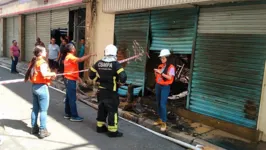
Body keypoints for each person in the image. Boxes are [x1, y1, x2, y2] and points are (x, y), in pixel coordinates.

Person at [89, 44, 127, 138]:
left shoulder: (99, 63)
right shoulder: (115, 64)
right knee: (112, 111)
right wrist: (119, 82)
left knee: (101, 109)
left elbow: (91, 73)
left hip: (101, 91)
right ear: (114, 53)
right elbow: (123, 77)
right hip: (111, 92)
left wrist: (98, 79)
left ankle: (100, 127)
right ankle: (113, 131)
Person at [24, 46, 56, 139]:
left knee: (35, 109)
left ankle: (34, 128)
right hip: (42, 87)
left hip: (34, 87)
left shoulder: (33, 62)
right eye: (45, 51)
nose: (46, 52)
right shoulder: (42, 62)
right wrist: (53, 73)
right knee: (43, 110)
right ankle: (43, 130)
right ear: (40, 53)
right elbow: (44, 73)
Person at [63, 44, 96, 122]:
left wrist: (80, 80)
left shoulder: (67, 57)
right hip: (70, 80)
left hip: (68, 79)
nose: (75, 48)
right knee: (72, 99)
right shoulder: (70, 57)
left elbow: (73, 71)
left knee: (68, 97)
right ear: (71, 50)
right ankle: (74, 116)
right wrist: (90, 55)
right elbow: (80, 60)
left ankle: (68, 113)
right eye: (74, 47)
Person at [153, 49, 175, 132]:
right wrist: (156, 73)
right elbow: (158, 77)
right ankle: (160, 118)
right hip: (158, 85)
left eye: (163, 58)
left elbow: (170, 77)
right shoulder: (160, 66)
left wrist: (161, 73)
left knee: (162, 104)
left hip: (165, 87)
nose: (161, 60)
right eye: (161, 58)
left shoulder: (171, 67)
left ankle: (164, 122)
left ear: (167, 58)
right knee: (158, 103)